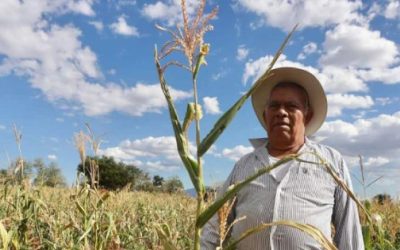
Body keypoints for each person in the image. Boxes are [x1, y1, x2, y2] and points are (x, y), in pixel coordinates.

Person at [201, 67, 364, 249]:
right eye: (274, 106)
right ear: (265, 115)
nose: (281, 112)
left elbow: (349, 234)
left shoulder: (331, 161)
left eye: (291, 106)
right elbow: (215, 228)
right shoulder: (244, 165)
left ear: (307, 116)